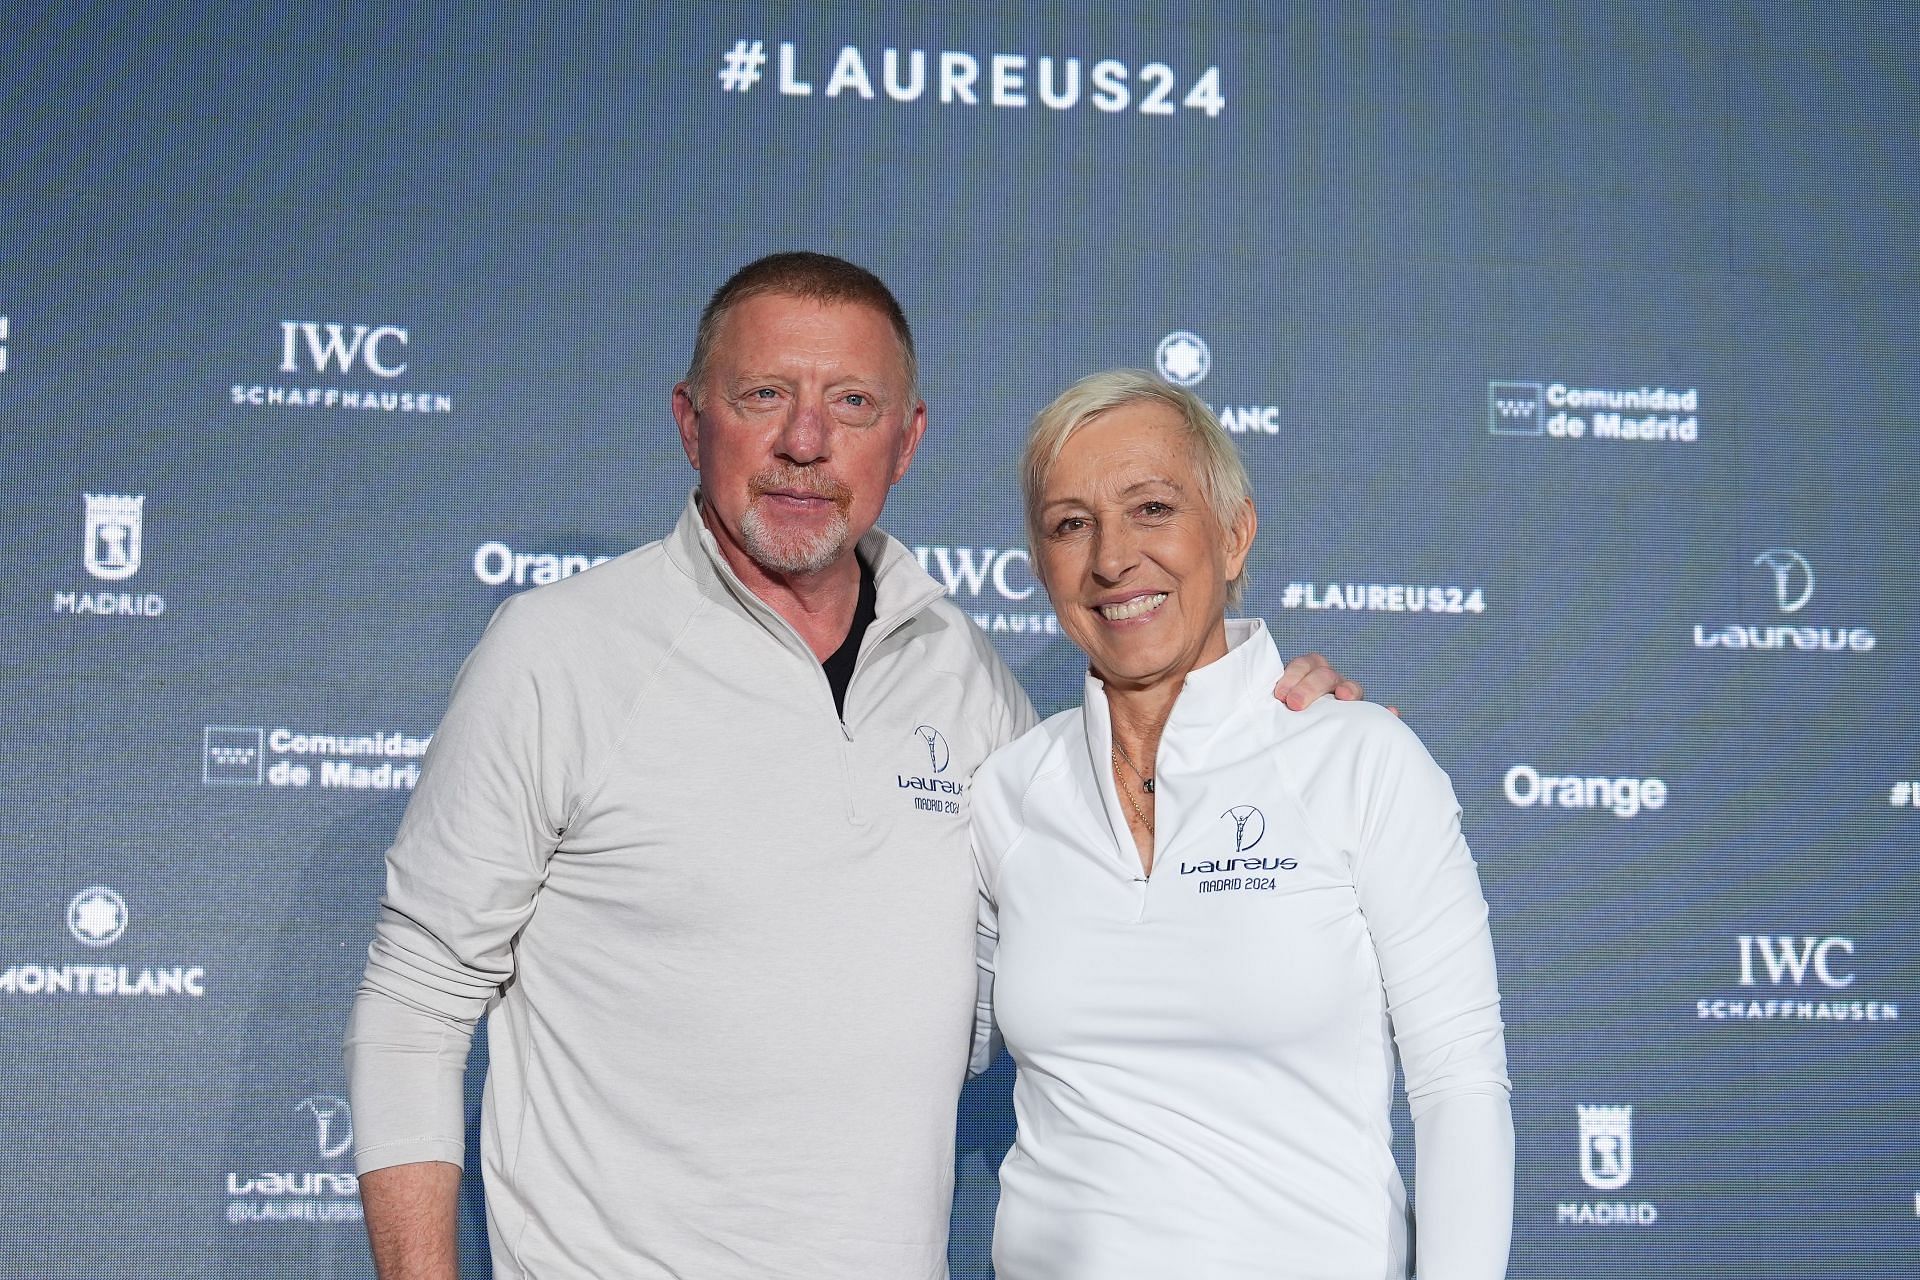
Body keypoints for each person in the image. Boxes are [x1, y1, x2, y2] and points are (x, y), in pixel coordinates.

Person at [344, 254, 1359, 1279]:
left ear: (907, 440)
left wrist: (1269, 735)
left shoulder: (964, 677)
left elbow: (1124, 908)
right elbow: (414, 1002)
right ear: (692, 422)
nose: (804, 441)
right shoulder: (558, 650)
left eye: (853, 402)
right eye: (764, 395)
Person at [970, 370, 1513, 1279]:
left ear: (1232, 535)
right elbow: (917, 1039)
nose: (1112, 558)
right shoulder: (1009, 793)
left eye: (1151, 508)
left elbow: (1459, 1086)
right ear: (1039, 565)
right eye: (1071, 524)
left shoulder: (1358, 761)